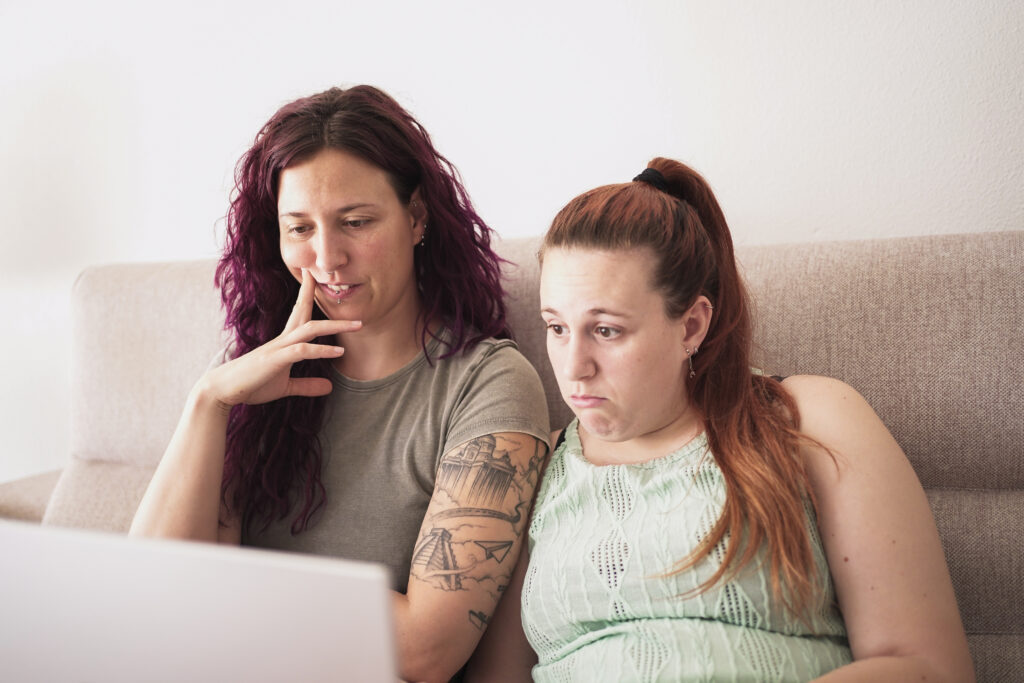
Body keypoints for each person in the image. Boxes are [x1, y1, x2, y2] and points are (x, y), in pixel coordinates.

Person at [467, 158, 974, 682]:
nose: (573, 367)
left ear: (691, 326)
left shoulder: (808, 419)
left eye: (607, 330)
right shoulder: (537, 465)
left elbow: (927, 667)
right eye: (556, 327)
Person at [129, 85, 550, 682]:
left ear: (417, 218)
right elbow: (147, 594)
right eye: (298, 228)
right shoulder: (256, 374)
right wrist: (209, 402)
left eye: (355, 221)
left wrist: (232, 586)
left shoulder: (487, 383)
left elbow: (425, 651)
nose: (327, 258)